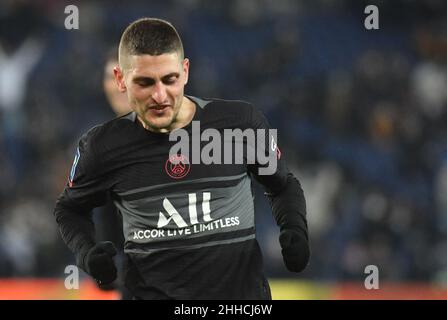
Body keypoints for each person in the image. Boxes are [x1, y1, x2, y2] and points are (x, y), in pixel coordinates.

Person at [54, 17, 309, 300]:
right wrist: (87, 252)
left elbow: (282, 184)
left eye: (170, 79)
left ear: (185, 71)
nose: (160, 95)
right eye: (145, 82)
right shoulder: (101, 147)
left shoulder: (240, 123)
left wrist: (294, 227)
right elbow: (69, 209)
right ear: (120, 79)